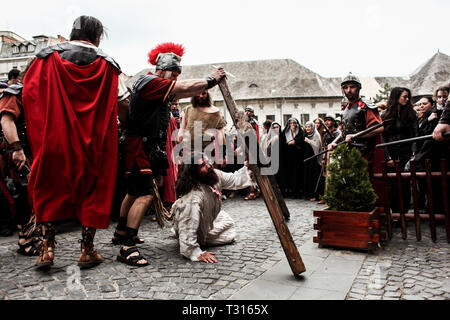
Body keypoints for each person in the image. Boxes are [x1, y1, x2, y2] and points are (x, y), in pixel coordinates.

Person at [22, 16, 129, 269]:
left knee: (49, 187)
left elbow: (29, 95)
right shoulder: (108, 64)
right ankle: (87, 250)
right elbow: (123, 103)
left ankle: (47, 250)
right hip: (94, 142)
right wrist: (122, 123)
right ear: (97, 35)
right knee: (93, 189)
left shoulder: (45, 58)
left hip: (54, 138)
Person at [113, 42, 226, 267]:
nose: (174, 79)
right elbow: (183, 88)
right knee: (144, 193)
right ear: (162, 70)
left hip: (144, 145)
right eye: (173, 74)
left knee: (134, 191)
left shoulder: (153, 84)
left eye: (176, 75)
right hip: (139, 145)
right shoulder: (150, 81)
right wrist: (210, 80)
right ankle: (127, 246)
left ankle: (120, 232)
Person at [170, 152, 255, 263]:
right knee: (229, 233)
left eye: (207, 162)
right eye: (202, 166)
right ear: (194, 174)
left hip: (204, 219)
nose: (208, 166)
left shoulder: (213, 175)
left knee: (227, 220)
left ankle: (181, 231)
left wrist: (248, 168)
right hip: (192, 227)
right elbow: (188, 226)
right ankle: (180, 233)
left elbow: (235, 179)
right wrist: (194, 251)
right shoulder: (193, 197)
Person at [0, 66, 40, 253]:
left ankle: (30, 236)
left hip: (25, 149)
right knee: (22, 194)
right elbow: (6, 121)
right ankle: (25, 241)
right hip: (15, 151)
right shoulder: (15, 92)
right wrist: (17, 149)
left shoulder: (31, 92)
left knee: (28, 194)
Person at [381, 87, 418, 213]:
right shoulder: (385, 115)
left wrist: (413, 154)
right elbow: (383, 138)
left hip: (406, 153)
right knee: (392, 186)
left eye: (408, 97)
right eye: (404, 97)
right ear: (396, 97)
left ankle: (404, 213)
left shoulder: (411, 114)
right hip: (391, 153)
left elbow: (415, 135)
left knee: (405, 185)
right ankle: (395, 213)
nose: (407, 100)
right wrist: (387, 157)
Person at [178, 89, 227, 160]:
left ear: (207, 94)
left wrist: (222, 155)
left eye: (203, 93)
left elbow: (221, 135)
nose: (200, 96)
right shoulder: (187, 109)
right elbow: (182, 130)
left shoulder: (216, 113)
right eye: (198, 93)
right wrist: (180, 148)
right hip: (188, 152)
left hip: (206, 153)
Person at [280, 117, 304, 198]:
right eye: (291, 123)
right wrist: (289, 143)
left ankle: (297, 191)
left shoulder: (300, 132)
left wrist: (295, 141)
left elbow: (301, 141)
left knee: (297, 174)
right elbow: (283, 143)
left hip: (298, 156)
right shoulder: (285, 132)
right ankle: (289, 191)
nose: (292, 125)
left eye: (294, 123)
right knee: (289, 173)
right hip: (288, 156)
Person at [302, 121, 323, 201]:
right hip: (307, 158)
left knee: (313, 177)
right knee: (307, 176)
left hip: (314, 158)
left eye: (309, 126)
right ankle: (307, 194)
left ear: (312, 127)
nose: (308, 128)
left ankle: (314, 195)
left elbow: (317, 147)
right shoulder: (306, 135)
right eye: (306, 127)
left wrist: (309, 141)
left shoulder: (316, 135)